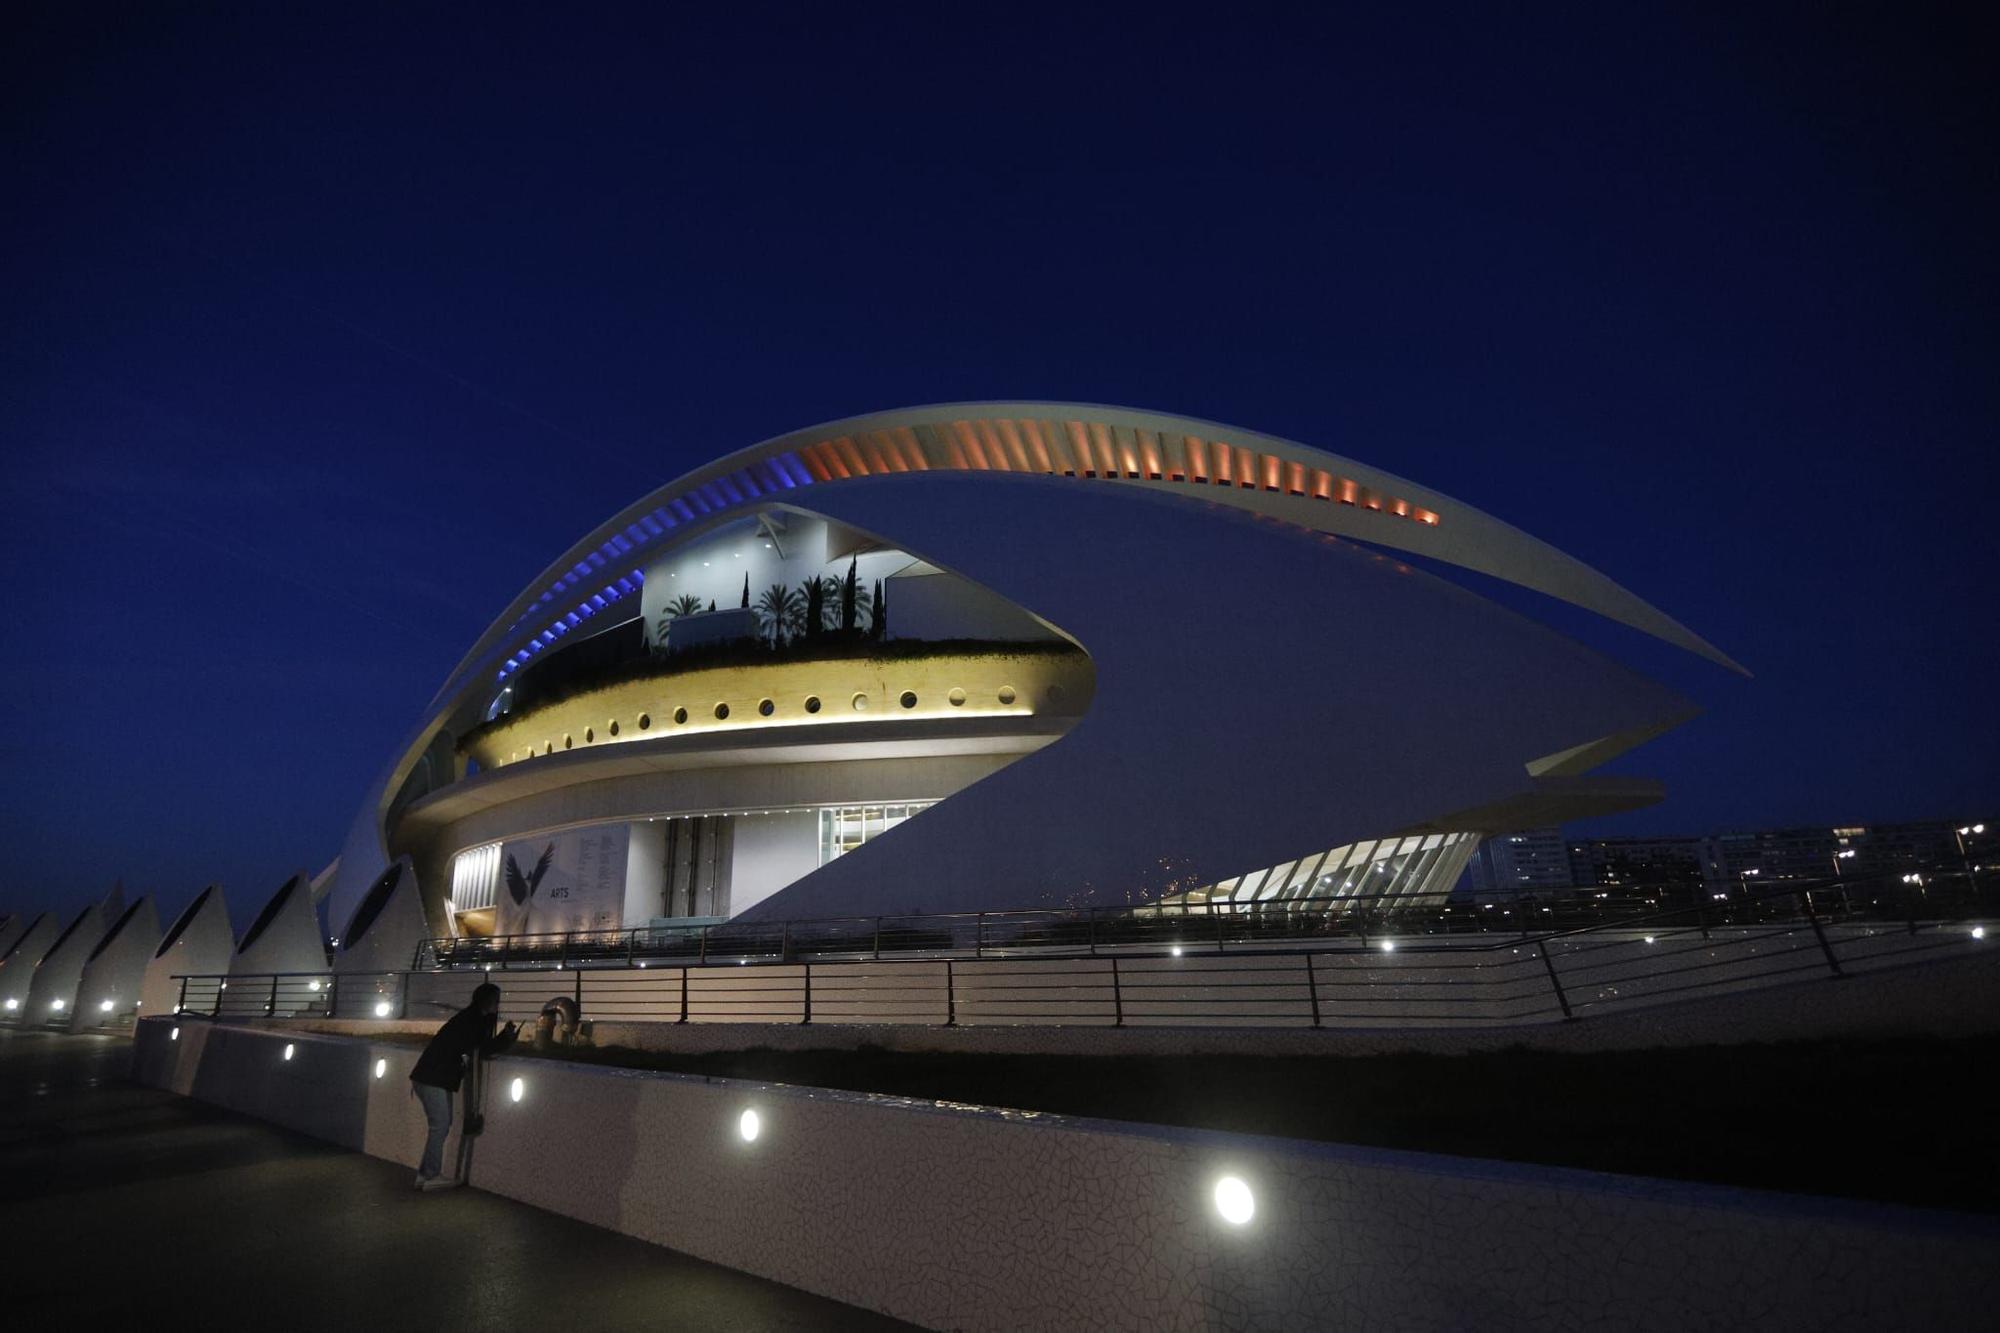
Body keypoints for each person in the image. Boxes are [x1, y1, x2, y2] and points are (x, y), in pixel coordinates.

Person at [409, 982, 518, 1191]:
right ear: (486, 1001)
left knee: (440, 1125)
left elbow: (477, 1047)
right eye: (496, 999)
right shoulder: (473, 1021)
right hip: (434, 1078)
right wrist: (506, 1038)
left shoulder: (471, 1018)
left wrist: (502, 1035)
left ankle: (424, 1175)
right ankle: (430, 1175)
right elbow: (480, 1050)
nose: (499, 1003)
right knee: (440, 1125)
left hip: (430, 1076)